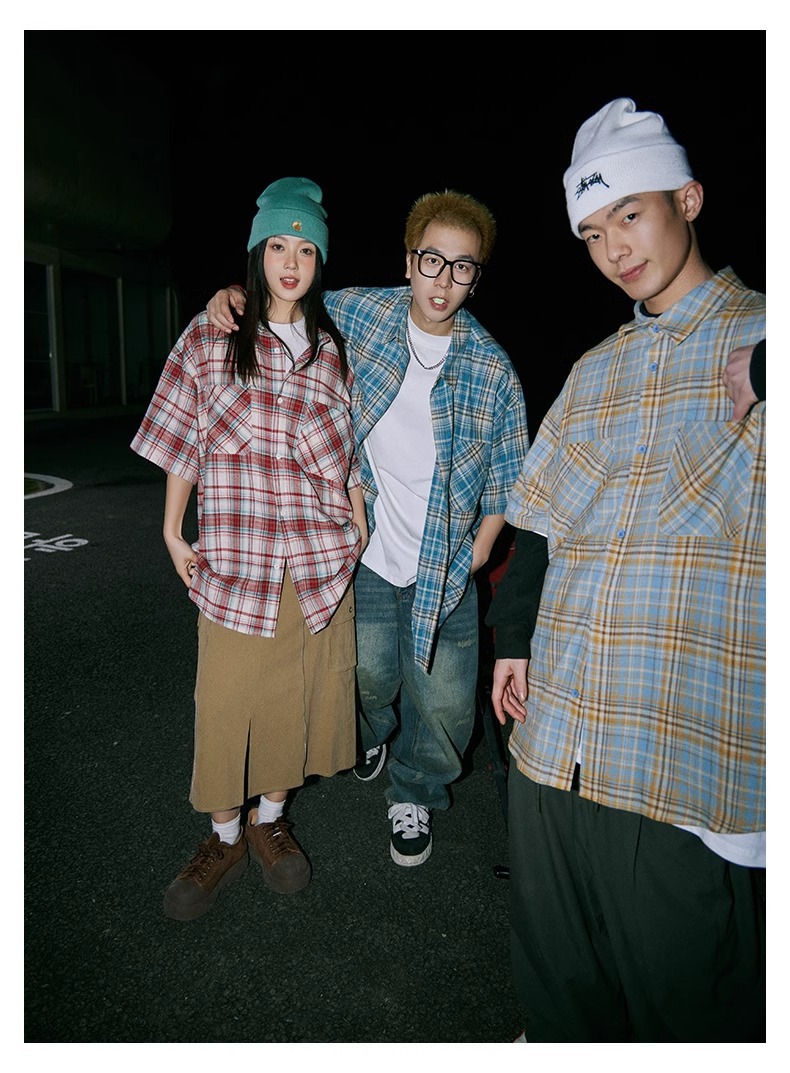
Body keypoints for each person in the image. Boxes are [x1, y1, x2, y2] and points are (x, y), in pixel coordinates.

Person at [487, 99, 765, 1042]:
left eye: (631, 214)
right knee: (559, 989)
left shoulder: (761, 332)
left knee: (690, 1004)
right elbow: (540, 522)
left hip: (678, 754)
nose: (614, 249)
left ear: (688, 198)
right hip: (555, 735)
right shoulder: (594, 368)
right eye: (593, 233)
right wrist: (513, 642)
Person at [207, 189, 530, 867]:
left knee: (444, 705)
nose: (443, 280)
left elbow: (510, 481)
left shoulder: (494, 369)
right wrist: (229, 297)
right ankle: (373, 732)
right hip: (369, 549)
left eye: (462, 267)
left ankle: (415, 790)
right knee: (370, 676)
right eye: (432, 260)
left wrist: (478, 551)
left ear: (477, 278)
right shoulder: (360, 313)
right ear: (408, 261)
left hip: (447, 563)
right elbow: (288, 299)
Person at [132, 178, 367, 920]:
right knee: (227, 702)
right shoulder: (212, 336)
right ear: (257, 253)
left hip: (317, 561)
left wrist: (358, 523)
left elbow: (349, 459)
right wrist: (172, 529)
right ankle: (225, 836)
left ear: (320, 260)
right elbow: (181, 436)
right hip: (237, 558)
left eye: (306, 249)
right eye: (278, 246)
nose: (291, 262)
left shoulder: (332, 350)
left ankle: (270, 821)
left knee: (292, 700)